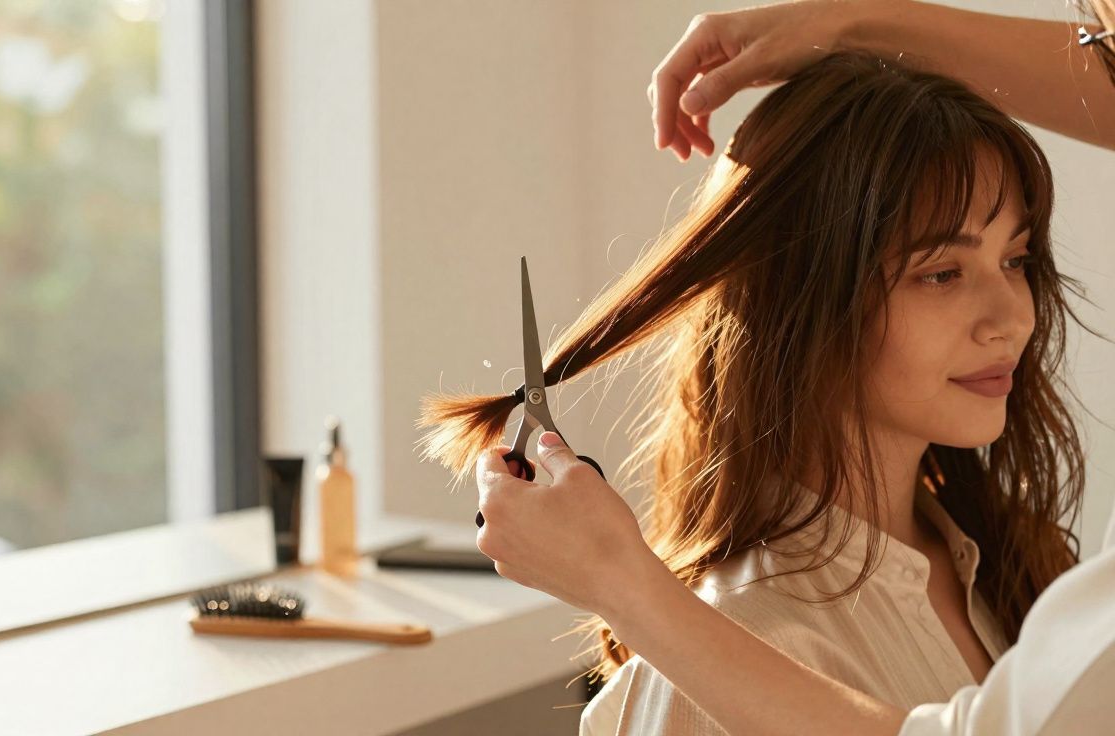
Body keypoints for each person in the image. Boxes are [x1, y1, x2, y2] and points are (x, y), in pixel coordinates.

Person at [459, 2, 1115, 735]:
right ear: (800, 297)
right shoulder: (737, 636)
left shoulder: (1011, 575)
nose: (1015, 318)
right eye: (941, 273)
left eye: (1016, 261)